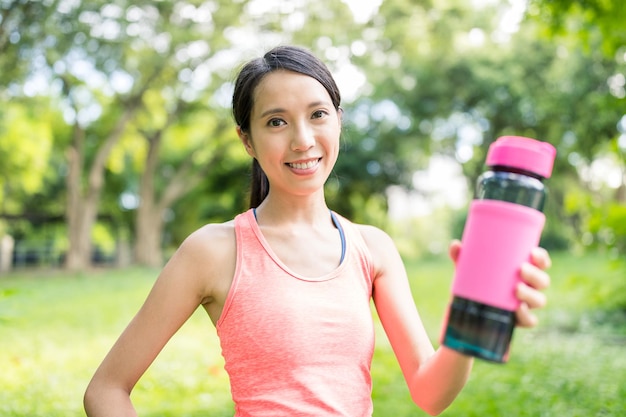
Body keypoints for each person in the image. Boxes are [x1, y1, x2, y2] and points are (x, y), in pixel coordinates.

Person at [83, 45, 551, 417]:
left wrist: (472, 314)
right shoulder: (214, 250)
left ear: (339, 120)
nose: (302, 139)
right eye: (276, 121)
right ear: (247, 138)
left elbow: (430, 393)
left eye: (318, 114)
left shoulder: (374, 248)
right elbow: (106, 390)